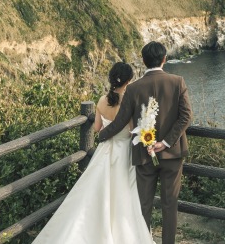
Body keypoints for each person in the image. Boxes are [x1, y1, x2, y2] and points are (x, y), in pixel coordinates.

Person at [33, 62, 155, 243]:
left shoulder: (101, 100)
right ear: (128, 80)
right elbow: (131, 131)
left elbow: (97, 128)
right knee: (123, 193)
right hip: (123, 153)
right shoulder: (130, 101)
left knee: (96, 189)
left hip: (104, 151)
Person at [98, 41, 192, 244]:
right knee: (170, 204)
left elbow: (120, 122)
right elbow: (186, 117)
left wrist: (100, 136)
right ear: (164, 59)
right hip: (172, 155)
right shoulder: (178, 82)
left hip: (143, 155)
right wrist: (166, 142)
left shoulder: (133, 88)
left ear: (143, 60)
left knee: (143, 205)